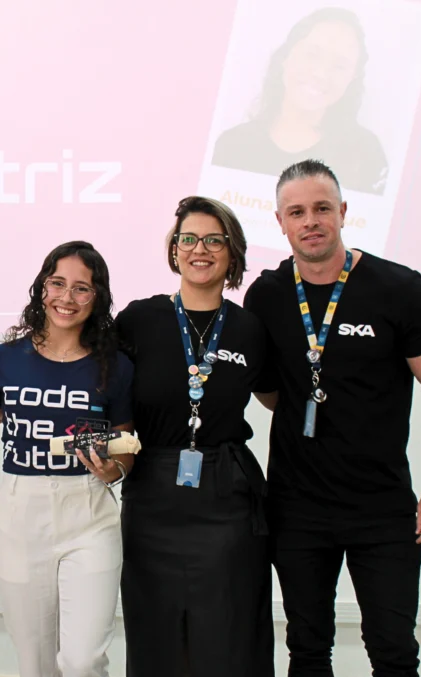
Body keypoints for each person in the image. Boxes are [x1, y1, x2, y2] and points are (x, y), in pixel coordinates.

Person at [244, 159, 421, 676]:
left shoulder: (397, 287)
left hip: (382, 507)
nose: (311, 220)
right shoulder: (267, 295)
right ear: (280, 222)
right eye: (297, 212)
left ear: (343, 212)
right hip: (297, 507)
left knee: (392, 650)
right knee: (308, 649)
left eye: (322, 208)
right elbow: (272, 392)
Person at [115, 197, 275, 676]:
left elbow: (276, 398)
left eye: (213, 239)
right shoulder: (139, 320)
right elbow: (105, 395)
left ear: (232, 252)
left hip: (227, 500)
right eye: (188, 238)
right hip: (152, 500)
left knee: (228, 636)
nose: (199, 249)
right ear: (174, 249)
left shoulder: (249, 329)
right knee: (155, 635)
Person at [0, 241, 133, 677]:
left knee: (82, 661)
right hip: (21, 512)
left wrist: (112, 468)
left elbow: (124, 450)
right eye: (57, 283)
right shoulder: (4, 360)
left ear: (97, 297)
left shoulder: (114, 365)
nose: (67, 297)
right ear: (41, 288)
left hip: (90, 513)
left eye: (82, 288)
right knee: (36, 663)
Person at [212, 7, 388, 195]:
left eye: (339, 66)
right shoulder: (233, 145)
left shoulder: (365, 154)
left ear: (352, 78)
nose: (321, 74)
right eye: (312, 55)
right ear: (286, 57)